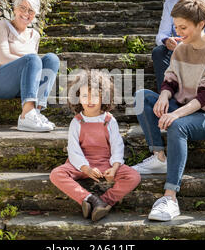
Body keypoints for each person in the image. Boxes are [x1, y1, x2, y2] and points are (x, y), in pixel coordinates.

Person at [132, 0, 205, 221]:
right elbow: (171, 78)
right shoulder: (181, 49)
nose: (178, 32)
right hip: (183, 105)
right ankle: (159, 156)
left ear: (201, 24)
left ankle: (170, 198)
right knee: (142, 98)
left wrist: (175, 113)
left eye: (183, 27)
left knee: (177, 125)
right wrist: (164, 96)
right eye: (176, 27)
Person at [50, 70, 141, 222]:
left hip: (105, 163)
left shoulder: (109, 120)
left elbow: (117, 145)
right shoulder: (77, 121)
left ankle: (105, 201)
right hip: (80, 164)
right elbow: (73, 149)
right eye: (85, 96)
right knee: (56, 174)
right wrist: (85, 167)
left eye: (94, 96)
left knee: (134, 176)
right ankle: (90, 199)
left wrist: (115, 166)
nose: (89, 100)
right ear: (78, 98)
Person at [0, 0, 60, 132]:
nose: (26, 13)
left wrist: (31, 64)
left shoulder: (35, 35)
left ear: (35, 14)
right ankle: (26, 115)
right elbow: (2, 57)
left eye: (31, 11)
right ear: (14, 8)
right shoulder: (2, 26)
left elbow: (32, 70)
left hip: (20, 86)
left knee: (52, 59)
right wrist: (30, 62)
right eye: (22, 8)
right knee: (33, 60)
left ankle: (35, 112)